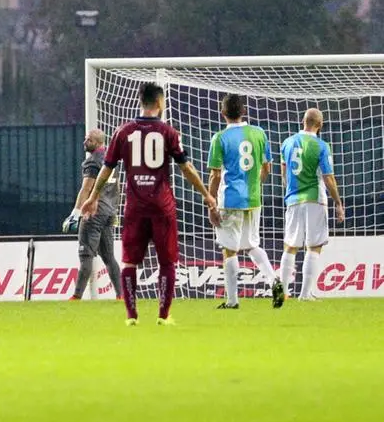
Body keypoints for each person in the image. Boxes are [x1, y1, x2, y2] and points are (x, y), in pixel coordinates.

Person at [82, 82, 216, 326]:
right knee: (167, 261)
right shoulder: (168, 132)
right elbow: (186, 167)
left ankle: (132, 316)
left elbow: (106, 169)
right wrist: (206, 194)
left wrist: (92, 197)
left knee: (130, 261)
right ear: (160, 103)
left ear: (140, 101)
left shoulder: (123, 132)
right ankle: (163, 316)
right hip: (162, 206)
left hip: (134, 207)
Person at [207, 94, 283, 309]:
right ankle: (274, 280)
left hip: (230, 199)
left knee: (229, 250)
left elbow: (215, 175)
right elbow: (267, 167)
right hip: (254, 198)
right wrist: (255, 186)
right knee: (251, 245)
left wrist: (211, 203)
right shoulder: (259, 133)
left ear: (223, 114)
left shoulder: (220, 138)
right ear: (244, 112)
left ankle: (232, 301)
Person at [279, 108, 345, 301]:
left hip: (292, 199)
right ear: (320, 125)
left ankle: (281, 293)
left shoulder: (287, 143)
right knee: (313, 246)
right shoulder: (321, 146)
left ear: (302, 121)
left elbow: (284, 173)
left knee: (290, 246)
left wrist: (290, 190)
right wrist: (338, 203)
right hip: (315, 198)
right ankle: (305, 294)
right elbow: (329, 178)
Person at [62, 129, 122, 300]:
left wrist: (75, 213)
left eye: (88, 140)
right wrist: (114, 210)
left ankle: (76, 296)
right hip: (108, 213)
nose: (84, 143)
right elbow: (117, 188)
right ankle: (121, 295)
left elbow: (86, 189)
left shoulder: (92, 162)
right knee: (109, 256)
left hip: (93, 213)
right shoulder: (111, 160)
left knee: (86, 254)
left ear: (97, 143)